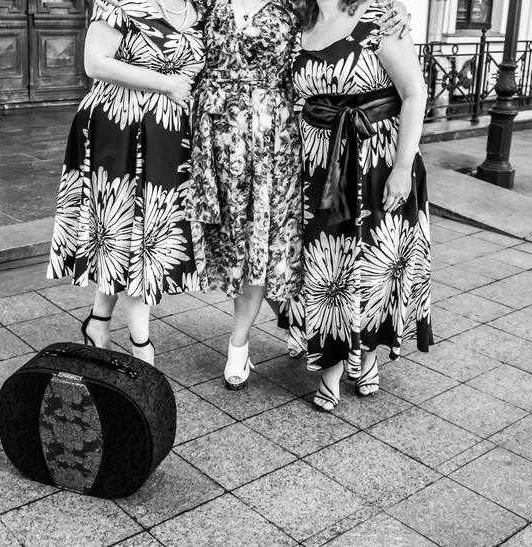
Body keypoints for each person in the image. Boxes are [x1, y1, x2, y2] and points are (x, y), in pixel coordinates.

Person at [97, 0, 409, 388]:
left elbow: (341, 26)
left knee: (270, 240)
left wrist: (392, 6)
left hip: (274, 140)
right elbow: (165, 37)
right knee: (230, 239)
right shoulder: (205, 4)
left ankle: (241, 345)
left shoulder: (297, 7)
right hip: (214, 137)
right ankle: (297, 325)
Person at [283, 0, 433, 411]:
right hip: (318, 164)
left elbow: (414, 93)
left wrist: (403, 167)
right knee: (325, 265)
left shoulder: (379, 16)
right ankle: (330, 366)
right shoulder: (301, 20)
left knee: (376, 261)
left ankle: (367, 355)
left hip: (377, 160)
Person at [47, 0, 205, 365]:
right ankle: (141, 346)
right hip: (118, 128)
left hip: (168, 136)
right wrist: (165, 84)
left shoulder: (199, 9)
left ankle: (98, 322)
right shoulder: (122, 3)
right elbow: (95, 63)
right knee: (135, 239)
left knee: (131, 237)